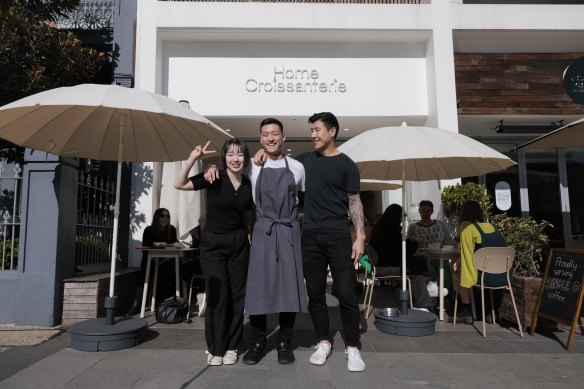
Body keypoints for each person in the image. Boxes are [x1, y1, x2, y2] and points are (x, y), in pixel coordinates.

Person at [254, 112, 366, 372]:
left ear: (332, 131)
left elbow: (354, 201)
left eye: (317, 130)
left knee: (346, 293)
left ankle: (353, 347)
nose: (313, 135)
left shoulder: (348, 165)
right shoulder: (303, 161)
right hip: (310, 236)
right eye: (311, 130)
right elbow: (277, 159)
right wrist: (259, 155)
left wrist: (359, 236)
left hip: (339, 234)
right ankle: (323, 341)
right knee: (314, 294)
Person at [204, 118, 308, 365]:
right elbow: (229, 168)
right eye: (265, 134)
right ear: (260, 139)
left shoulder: (297, 168)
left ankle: (284, 343)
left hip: (288, 229)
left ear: (283, 137)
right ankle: (258, 342)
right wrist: (210, 166)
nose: (270, 138)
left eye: (275, 133)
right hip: (262, 230)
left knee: (289, 288)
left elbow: (301, 196)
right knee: (259, 288)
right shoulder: (251, 166)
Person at [174, 138, 253, 366]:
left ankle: (231, 346)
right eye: (230, 154)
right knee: (218, 296)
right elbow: (179, 184)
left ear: (245, 158)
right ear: (224, 158)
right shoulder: (213, 177)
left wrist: (248, 235)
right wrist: (192, 159)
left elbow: (247, 216)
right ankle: (215, 348)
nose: (235, 159)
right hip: (213, 245)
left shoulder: (248, 184)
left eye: (240, 155)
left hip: (239, 244)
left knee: (238, 297)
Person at [369, 204, 434, 311]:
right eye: (401, 216)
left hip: (382, 265)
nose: (401, 219)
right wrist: (416, 243)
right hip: (385, 268)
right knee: (418, 265)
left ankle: (423, 302)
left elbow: (396, 246)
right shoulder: (390, 230)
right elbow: (403, 252)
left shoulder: (382, 228)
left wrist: (410, 241)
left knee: (417, 267)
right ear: (396, 216)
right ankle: (427, 291)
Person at [453, 200, 507, 324]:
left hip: (483, 275)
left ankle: (465, 310)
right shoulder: (490, 226)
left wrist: (458, 263)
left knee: (457, 269)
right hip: (501, 275)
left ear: (464, 212)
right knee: (460, 266)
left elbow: (467, 253)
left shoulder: (466, 225)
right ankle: (488, 311)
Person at [127, 208, 178, 316]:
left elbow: (175, 242)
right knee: (145, 272)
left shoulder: (172, 230)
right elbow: (146, 245)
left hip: (165, 261)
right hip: (150, 260)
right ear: (157, 217)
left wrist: (177, 244)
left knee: (167, 269)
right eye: (162, 216)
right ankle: (136, 304)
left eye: (167, 216)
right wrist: (160, 244)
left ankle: (161, 305)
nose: (165, 218)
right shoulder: (149, 230)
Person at [406, 200, 453, 298]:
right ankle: (433, 298)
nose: (425, 213)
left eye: (428, 211)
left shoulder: (440, 224)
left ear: (432, 211)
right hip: (423, 258)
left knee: (445, 271)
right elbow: (410, 246)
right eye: (423, 211)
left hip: (440, 256)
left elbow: (448, 240)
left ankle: (447, 297)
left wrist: (444, 250)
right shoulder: (413, 227)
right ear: (419, 211)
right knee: (429, 270)